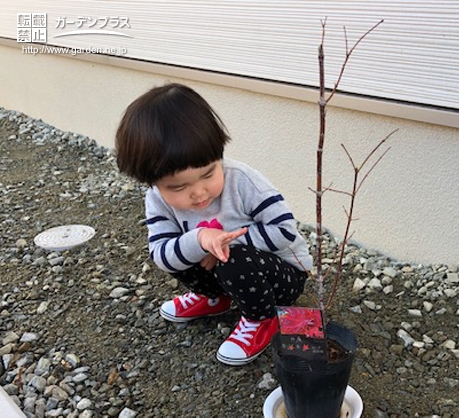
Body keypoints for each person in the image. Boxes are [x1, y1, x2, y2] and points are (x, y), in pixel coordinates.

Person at [115, 83, 313, 366]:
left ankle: (263, 317)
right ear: (153, 182)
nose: (199, 192)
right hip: (225, 271)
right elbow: (161, 254)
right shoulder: (157, 199)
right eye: (178, 186)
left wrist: (222, 241)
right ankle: (215, 298)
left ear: (218, 154)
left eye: (208, 174)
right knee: (181, 254)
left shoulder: (243, 181)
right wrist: (199, 241)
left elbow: (283, 231)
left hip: (281, 277)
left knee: (232, 258)